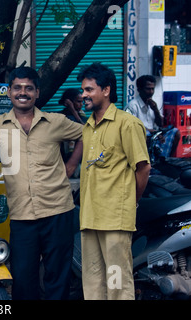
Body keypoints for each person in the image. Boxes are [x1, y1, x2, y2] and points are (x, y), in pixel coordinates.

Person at [0, 66, 83, 300]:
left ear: (37, 93)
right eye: (17, 88)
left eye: (29, 88)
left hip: (58, 210)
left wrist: (71, 164)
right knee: (23, 277)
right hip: (21, 215)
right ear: (9, 92)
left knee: (57, 276)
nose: (23, 92)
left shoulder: (56, 121)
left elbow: (86, 134)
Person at [77, 63, 151, 300]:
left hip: (115, 219)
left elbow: (143, 168)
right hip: (90, 217)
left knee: (117, 281)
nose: (84, 95)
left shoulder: (127, 124)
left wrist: (130, 202)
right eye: (83, 90)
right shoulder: (88, 127)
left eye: (89, 90)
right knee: (92, 280)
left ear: (106, 90)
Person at [124, 75, 180, 159]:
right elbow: (131, 127)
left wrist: (156, 110)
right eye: (148, 89)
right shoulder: (132, 106)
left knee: (175, 132)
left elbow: (160, 124)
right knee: (146, 134)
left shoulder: (152, 104)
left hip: (155, 135)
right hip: (141, 137)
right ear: (139, 89)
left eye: (152, 89)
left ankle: (167, 159)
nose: (151, 92)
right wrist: (152, 132)